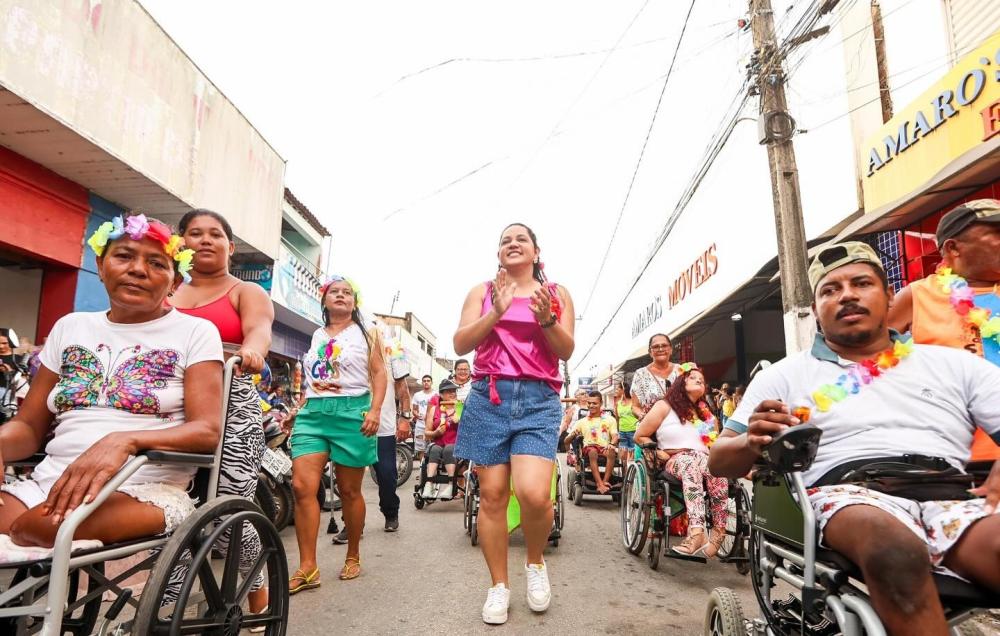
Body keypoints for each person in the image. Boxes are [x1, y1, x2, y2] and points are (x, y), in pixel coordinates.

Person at [709, 242, 1000, 636]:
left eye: (861, 283)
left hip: (949, 493)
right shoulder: (784, 375)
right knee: (893, 549)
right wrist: (750, 444)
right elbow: (719, 460)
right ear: (815, 310)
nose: (846, 294)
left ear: (888, 295)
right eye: (830, 290)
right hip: (847, 493)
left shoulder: (954, 365)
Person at [0, 213, 222, 549]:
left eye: (157, 264)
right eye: (124, 256)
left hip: (144, 489)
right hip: (49, 482)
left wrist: (125, 440)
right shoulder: (70, 327)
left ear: (175, 283)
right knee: (30, 525)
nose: (137, 269)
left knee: (39, 528)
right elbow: (29, 427)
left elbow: (207, 430)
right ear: (101, 266)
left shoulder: (195, 332)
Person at [453, 222, 575, 624]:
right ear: (498, 253)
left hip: (539, 400)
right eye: (505, 240)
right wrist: (498, 312)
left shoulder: (555, 294)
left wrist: (546, 320)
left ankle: (535, 563)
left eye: (521, 238)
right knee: (491, 496)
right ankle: (499, 586)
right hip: (490, 397)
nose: (513, 244)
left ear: (536, 252)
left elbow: (566, 348)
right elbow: (461, 344)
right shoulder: (483, 292)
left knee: (534, 494)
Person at [170, 208, 274, 616]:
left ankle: (257, 589)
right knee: (171, 510)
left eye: (216, 234)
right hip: (171, 407)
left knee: (228, 509)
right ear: (180, 243)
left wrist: (253, 351)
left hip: (233, 401)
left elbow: (260, 329)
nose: (205, 240)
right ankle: (167, 605)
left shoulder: (246, 292)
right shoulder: (167, 291)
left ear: (231, 247)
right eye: (195, 233)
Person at [289, 275, 385, 592]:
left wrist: (374, 411)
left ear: (354, 302)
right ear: (325, 300)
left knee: (349, 492)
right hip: (314, 414)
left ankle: (353, 554)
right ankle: (307, 567)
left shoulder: (366, 333)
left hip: (351, 413)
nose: (341, 295)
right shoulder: (317, 334)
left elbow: (379, 373)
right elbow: (316, 377)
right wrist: (300, 405)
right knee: (303, 486)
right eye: (334, 291)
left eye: (347, 292)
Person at [888, 198, 1000, 461]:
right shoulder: (916, 296)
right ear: (953, 248)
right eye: (996, 234)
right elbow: (865, 362)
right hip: (953, 462)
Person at [634, 364, 728, 556]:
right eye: (693, 377)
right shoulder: (664, 406)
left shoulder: (706, 414)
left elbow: (713, 444)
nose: (699, 380)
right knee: (689, 465)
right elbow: (640, 436)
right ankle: (696, 532)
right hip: (676, 458)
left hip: (703, 457)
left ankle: (718, 533)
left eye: (701, 379)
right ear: (681, 382)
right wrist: (658, 452)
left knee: (717, 472)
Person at [564, 391, 618, 493]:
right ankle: (599, 483)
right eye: (589, 403)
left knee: (611, 451)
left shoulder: (610, 419)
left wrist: (612, 444)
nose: (591, 406)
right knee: (592, 451)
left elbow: (615, 436)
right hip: (589, 449)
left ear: (601, 404)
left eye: (594, 403)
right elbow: (566, 441)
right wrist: (573, 435)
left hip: (604, 448)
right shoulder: (581, 422)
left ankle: (604, 482)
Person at [423, 379, 461, 499]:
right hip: (438, 441)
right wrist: (435, 432)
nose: (452, 393)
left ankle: (450, 485)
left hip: (454, 443)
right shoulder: (434, 409)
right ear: (441, 394)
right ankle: (429, 484)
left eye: (454, 391)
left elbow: (468, 429)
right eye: (448, 391)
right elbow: (427, 432)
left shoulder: (459, 407)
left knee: (449, 450)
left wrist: (458, 420)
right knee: (434, 450)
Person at [630, 334, 680, 421]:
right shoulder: (641, 374)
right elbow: (635, 407)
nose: (660, 349)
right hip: (652, 429)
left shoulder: (681, 370)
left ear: (671, 349)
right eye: (656, 347)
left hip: (680, 426)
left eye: (664, 345)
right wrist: (644, 417)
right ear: (650, 352)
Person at [613, 379, 638, 464]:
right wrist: (617, 432)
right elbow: (617, 418)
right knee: (622, 457)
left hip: (633, 431)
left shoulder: (634, 401)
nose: (616, 391)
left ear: (623, 390)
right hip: (622, 431)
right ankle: (624, 476)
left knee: (632, 455)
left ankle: (632, 474)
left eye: (617, 389)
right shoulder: (617, 403)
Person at [411, 374, 434, 460]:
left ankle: (430, 471)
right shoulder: (417, 395)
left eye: (428, 381)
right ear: (422, 383)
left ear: (431, 382)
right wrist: (417, 415)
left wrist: (429, 416)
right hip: (420, 425)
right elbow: (414, 410)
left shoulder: (436, 394)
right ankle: (422, 470)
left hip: (432, 426)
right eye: (424, 381)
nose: (426, 382)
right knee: (421, 449)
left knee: (433, 448)